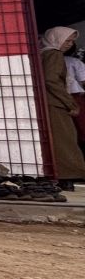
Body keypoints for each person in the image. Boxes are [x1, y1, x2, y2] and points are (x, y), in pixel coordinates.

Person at [40, 27, 85, 191]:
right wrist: (70, 103)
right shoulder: (54, 54)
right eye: (67, 40)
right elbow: (51, 80)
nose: (70, 44)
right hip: (56, 103)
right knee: (65, 140)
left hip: (52, 102)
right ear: (56, 39)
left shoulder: (44, 53)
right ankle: (68, 175)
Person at [65, 43, 85, 150]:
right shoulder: (75, 62)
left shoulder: (48, 59)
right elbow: (83, 80)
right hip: (76, 95)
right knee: (81, 122)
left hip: (60, 96)